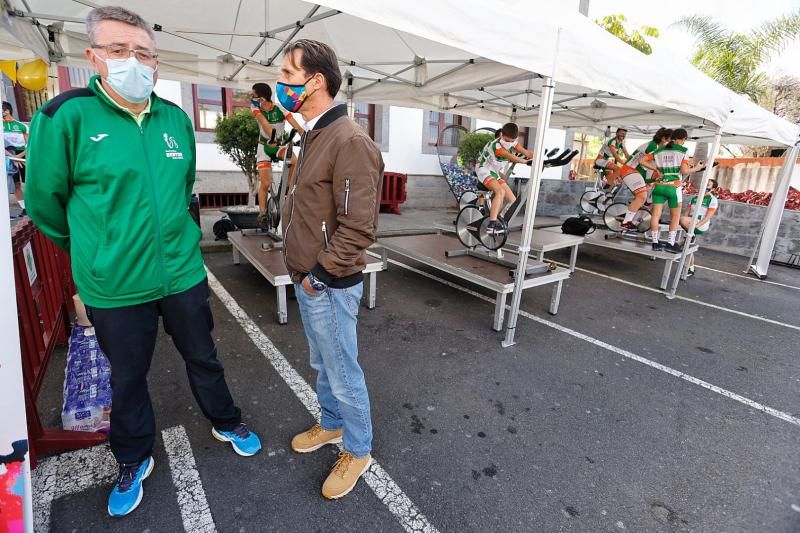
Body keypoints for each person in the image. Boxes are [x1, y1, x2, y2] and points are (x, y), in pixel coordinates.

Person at [24, 6, 261, 518]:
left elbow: (181, 192)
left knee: (204, 356)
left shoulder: (174, 119)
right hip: (114, 286)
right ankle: (133, 456)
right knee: (127, 378)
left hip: (181, 273)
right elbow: (44, 204)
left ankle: (226, 420)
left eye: (144, 54)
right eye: (118, 50)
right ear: (93, 57)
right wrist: (95, 252)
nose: (134, 61)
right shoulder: (64, 116)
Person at [278, 38, 383, 500]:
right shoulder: (315, 132)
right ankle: (332, 424)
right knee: (323, 362)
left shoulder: (350, 141)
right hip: (310, 276)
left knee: (342, 369)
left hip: (329, 282)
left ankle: (357, 450)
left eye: (287, 75)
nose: (281, 83)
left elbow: (359, 227)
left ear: (315, 81)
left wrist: (318, 276)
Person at [639, 128, 705, 252]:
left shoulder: (659, 150)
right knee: (675, 216)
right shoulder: (683, 151)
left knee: (655, 215)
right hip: (673, 188)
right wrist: (697, 168)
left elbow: (642, 160)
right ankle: (670, 243)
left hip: (658, 187)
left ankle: (655, 243)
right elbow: (684, 171)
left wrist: (655, 170)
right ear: (683, 139)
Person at [250, 82, 304, 226]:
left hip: (279, 145)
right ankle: (262, 213)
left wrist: (306, 137)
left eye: (253, 96)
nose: (251, 98)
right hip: (264, 146)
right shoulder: (255, 108)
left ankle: (285, 190)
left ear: (262, 98)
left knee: (294, 161)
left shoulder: (280, 109)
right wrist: (272, 137)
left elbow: (296, 126)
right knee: (266, 183)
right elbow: (265, 125)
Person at [475, 122, 534, 233]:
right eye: (506, 140)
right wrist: (526, 162)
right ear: (501, 134)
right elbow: (511, 156)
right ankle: (491, 225)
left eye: (512, 141)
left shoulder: (513, 143)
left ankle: (498, 219)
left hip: (494, 172)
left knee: (512, 200)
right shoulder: (495, 145)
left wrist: (541, 158)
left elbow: (527, 153)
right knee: (500, 192)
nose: (509, 143)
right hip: (484, 169)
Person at [616, 128, 672, 230]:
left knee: (642, 197)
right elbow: (643, 162)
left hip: (634, 171)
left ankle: (627, 217)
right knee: (642, 196)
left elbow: (648, 170)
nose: (670, 143)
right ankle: (626, 222)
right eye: (669, 140)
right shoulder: (653, 146)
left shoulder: (656, 146)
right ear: (663, 138)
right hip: (630, 170)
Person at [680, 178, 719, 276]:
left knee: (682, 220)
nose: (705, 186)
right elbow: (686, 213)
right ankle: (691, 268)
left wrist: (694, 227)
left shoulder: (712, 200)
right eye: (705, 183)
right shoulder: (695, 198)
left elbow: (708, 217)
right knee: (687, 246)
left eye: (708, 185)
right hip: (689, 224)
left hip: (700, 224)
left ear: (713, 189)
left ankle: (691, 236)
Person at [3, 101, 27, 215]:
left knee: (30, 181)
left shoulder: (22, 126)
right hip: (8, 156)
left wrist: (18, 156)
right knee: (16, 183)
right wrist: (13, 157)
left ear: (6, 111)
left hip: (22, 155)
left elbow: (31, 144)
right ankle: (24, 209)